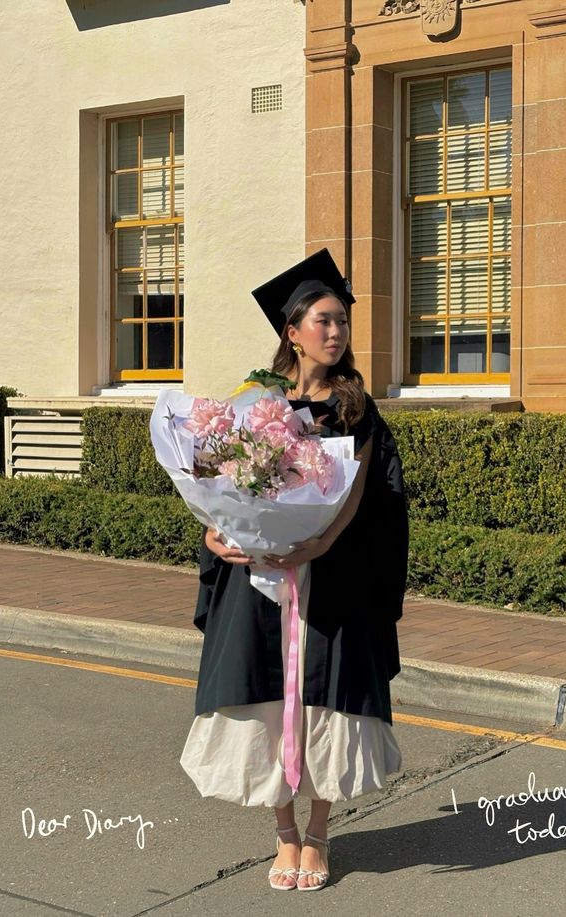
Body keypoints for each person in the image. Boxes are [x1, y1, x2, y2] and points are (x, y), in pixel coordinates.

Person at [179, 249, 408, 891]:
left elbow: (360, 495)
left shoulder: (355, 410)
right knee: (267, 693)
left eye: (341, 322)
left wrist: (316, 545)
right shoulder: (257, 402)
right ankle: (283, 833)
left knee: (323, 698)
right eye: (323, 321)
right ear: (292, 329)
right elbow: (219, 480)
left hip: (328, 575)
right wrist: (215, 531)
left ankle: (319, 834)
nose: (335, 333)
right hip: (258, 575)